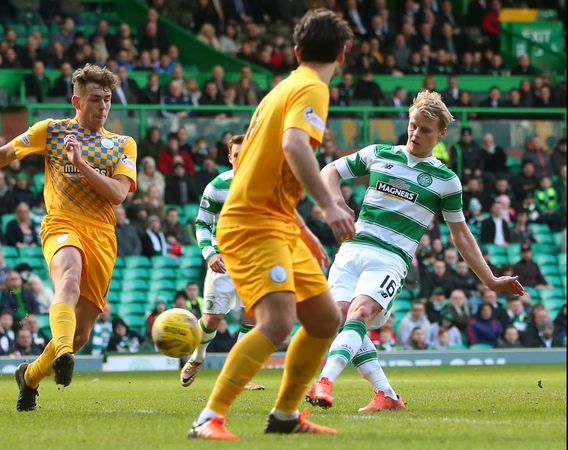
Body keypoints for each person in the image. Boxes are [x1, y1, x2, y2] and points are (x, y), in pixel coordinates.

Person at [188, 10, 355, 440]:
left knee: (322, 319)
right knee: (278, 320)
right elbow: (294, 145)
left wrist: (300, 227)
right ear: (341, 53)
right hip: (252, 223)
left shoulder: (281, 90)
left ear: (297, 51)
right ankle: (209, 417)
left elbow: (265, 169)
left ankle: (284, 416)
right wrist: (328, 207)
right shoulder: (313, 89)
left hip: (276, 220)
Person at [307, 91, 524, 413]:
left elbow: (460, 234)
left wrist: (490, 279)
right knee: (339, 321)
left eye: (424, 129)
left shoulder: (445, 180)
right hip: (352, 250)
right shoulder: (380, 153)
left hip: (390, 258)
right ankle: (387, 395)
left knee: (360, 314)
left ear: (440, 134)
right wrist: (335, 204)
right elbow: (329, 172)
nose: (415, 134)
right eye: (412, 126)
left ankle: (324, 382)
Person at [0, 64, 137, 412]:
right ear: (76, 100)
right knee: (68, 278)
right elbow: (5, 153)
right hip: (62, 222)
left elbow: (118, 195)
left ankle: (30, 376)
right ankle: (61, 350)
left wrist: (80, 164)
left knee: (81, 335)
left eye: (107, 100)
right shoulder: (51, 131)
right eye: (95, 99)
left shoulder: (123, 144)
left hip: (103, 234)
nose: (103, 106)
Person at [180, 134, 264, 391]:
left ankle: (239, 374)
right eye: (236, 154)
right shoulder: (217, 186)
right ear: (230, 157)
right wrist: (210, 254)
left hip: (256, 262)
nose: (242, 158)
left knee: (252, 319)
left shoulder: (266, 184)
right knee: (212, 319)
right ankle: (198, 357)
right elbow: (202, 223)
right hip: (224, 261)